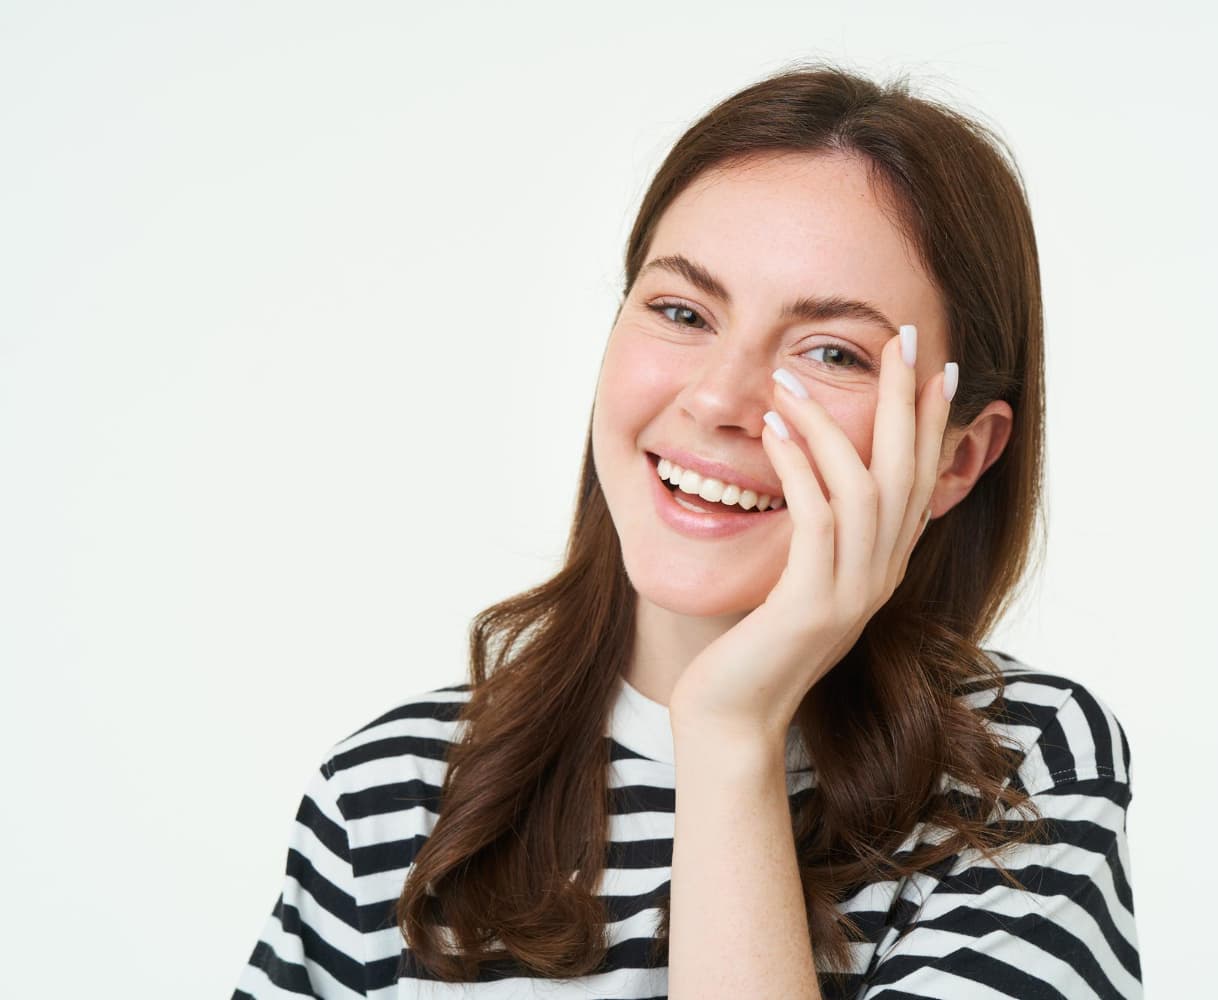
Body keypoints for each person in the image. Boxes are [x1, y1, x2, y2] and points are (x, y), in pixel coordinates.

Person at [233, 59, 1141, 1000]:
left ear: (956, 458)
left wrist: (729, 732)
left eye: (831, 352)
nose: (717, 399)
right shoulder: (392, 801)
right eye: (681, 310)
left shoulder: (1020, 775)